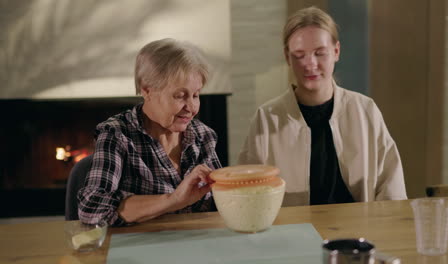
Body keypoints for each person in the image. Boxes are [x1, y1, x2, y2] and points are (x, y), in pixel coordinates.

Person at [238, 7, 407, 206]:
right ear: (287, 57)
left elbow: (391, 190)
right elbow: (247, 194)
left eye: (320, 53)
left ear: (336, 51)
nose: (310, 64)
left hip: (358, 230)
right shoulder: (266, 118)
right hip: (290, 233)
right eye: (299, 55)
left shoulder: (365, 110)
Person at [78, 38, 221, 226]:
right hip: (139, 249)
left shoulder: (203, 135)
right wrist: (173, 199)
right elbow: (92, 208)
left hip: (197, 245)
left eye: (196, 95)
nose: (191, 107)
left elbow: (222, 201)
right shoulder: (117, 134)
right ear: (147, 90)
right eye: (180, 96)